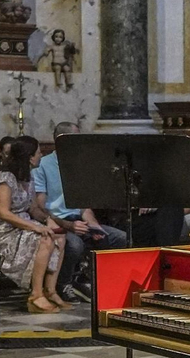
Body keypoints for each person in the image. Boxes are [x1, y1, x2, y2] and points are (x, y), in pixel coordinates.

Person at [32, 121, 128, 301]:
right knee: (75, 245)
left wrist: (94, 226)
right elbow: (41, 207)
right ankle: (63, 283)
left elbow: (84, 206)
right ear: (62, 140)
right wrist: (68, 225)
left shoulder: (80, 165)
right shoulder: (43, 165)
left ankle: (92, 279)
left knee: (119, 238)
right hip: (57, 222)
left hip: (79, 220)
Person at [0, 134, 68, 313]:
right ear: (29, 157)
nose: (41, 155)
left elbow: (33, 208)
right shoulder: (6, 178)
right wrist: (36, 227)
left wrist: (47, 220)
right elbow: (3, 212)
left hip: (19, 224)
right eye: (38, 152)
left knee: (59, 236)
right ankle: (36, 296)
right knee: (44, 239)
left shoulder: (28, 177)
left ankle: (50, 290)